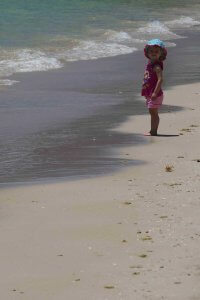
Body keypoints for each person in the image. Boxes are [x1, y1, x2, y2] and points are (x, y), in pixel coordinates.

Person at [141, 39, 167, 136]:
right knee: (152, 112)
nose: (153, 53)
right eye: (151, 51)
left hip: (155, 93)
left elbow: (160, 79)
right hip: (150, 92)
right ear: (147, 52)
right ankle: (153, 130)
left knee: (153, 113)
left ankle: (153, 131)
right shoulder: (150, 63)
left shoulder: (156, 66)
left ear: (161, 53)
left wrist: (155, 93)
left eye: (156, 52)